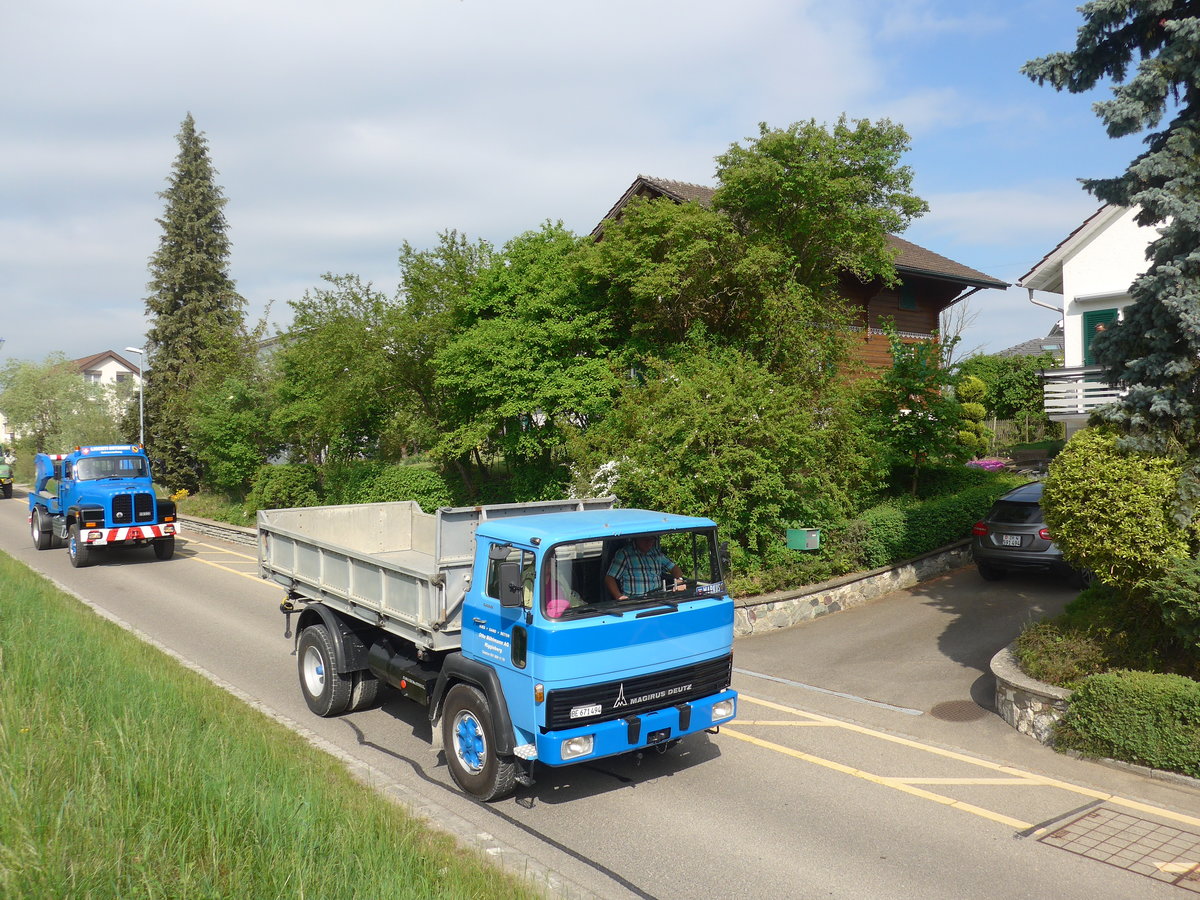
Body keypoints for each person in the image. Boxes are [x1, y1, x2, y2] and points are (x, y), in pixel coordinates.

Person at [605, 535, 686, 601]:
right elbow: (609, 578)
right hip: (635, 602)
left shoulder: (656, 553)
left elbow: (675, 568)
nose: (649, 543)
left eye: (651, 540)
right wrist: (618, 596)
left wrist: (679, 581)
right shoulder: (624, 554)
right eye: (645, 539)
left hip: (658, 599)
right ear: (637, 538)